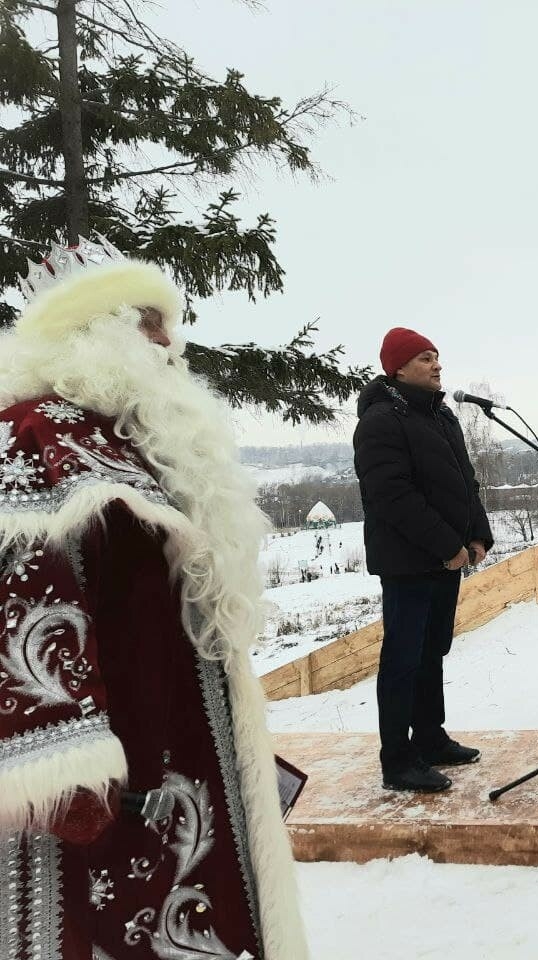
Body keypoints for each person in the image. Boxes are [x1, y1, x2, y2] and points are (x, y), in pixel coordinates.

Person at [0, 240, 306, 958]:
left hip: (175, 751)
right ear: (89, 330)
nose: (171, 342)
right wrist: (70, 777)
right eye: (148, 321)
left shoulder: (133, 442)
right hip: (114, 785)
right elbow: (22, 601)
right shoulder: (34, 434)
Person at [355, 327, 493, 793]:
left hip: (445, 560)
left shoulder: (442, 416)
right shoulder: (380, 421)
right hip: (408, 562)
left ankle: (430, 738)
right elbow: (393, 497)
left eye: (437, 356)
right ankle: (397, 759)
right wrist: (446, 545)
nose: (437, 365)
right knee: (403, 659)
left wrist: (477, 535)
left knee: (432, 651)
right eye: (424, 358)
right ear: (397, 368)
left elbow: (464, 482)